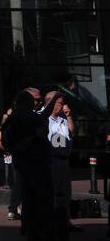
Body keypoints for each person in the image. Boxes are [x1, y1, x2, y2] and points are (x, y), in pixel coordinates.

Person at [1, 90, 54, 241]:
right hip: (36, 163)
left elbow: (5, 141)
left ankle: (29, 229)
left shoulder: (12, 119)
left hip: (21, 163)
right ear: (28, 103)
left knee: (27, 196)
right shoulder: (30, 117)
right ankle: (45, 229)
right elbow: (42, 132)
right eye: (34, 101)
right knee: (41, 197)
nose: (37, 104)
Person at [46, 92, 79, 232]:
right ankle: (52, 223)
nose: (63, 105)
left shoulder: (63, 119)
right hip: (52, 160)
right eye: (60, 102)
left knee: (66, 193)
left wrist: (69, 116)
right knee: (53, 192)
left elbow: (72, 132)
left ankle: (66, 221)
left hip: (64, 160)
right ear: (52, 103)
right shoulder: (45, 119)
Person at [0, 107, 22, 220]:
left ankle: (15, 208)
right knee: (18, 182)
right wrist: (9, 150)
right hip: (14, 155)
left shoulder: (6, 126)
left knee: (16, 181)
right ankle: (15, 208)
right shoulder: (10, 127)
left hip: (12, 153)